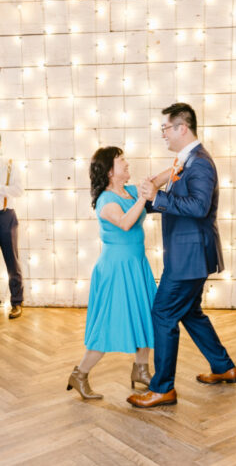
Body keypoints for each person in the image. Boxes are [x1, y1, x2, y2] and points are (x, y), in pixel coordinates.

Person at [128, 102, 236, 408]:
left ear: (182, 128)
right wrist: (147, 200)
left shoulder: (199, 162)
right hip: (189, 254)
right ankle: (224, 367)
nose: (162, 134)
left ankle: (163, 388)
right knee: (190, 312)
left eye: (165, 128)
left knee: (162, 314)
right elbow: (178, 200)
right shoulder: (185, 161)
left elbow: (198, 207)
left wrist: (158, 197)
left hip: (189, 257)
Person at [66, 147, 166, 400]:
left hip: (136, 265)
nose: (127, 163)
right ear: (110, 171)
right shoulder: (106, 201)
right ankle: (80, 375)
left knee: (146, 317)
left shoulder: (129, 192)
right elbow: (125, 222)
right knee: (107, 325)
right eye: (122, 161)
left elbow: (155, 182)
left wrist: (178, 166)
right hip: (115, 269)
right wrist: (145, 197)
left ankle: (141, 370)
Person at [0, 135, 25, 319]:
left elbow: (19, 190)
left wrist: (0, 188)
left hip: (6, 215)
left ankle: (16, 302)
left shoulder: (9, 164)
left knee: (12, 260)